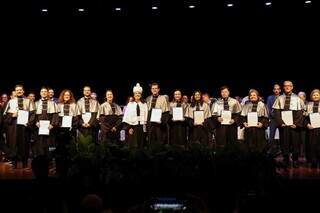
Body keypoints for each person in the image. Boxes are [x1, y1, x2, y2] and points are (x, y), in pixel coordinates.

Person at [272, 81, 305, 168]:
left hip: (294, 125)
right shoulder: (279, 98)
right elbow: (276, 112)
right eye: (285, 86)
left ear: (292, 87)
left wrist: (296, 123)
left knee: (295, 143)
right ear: (283, 87)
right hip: (283, 125)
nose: (287, 87)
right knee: (284, 143)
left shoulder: (297, 98)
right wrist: (281, 123)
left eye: (289, 86)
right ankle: (286, 160)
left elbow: (300, 112)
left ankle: (295, 160)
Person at [3, 84, 35, 168]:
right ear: (15, 91)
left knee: (24, 144)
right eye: (17, 90)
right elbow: (5, 116)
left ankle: (24, 163)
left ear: (23, 91)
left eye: (20, 90)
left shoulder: (28, 101)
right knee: (13, 144)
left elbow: (32, 114)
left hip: (25, 127)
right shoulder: (10, 101)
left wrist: (28, 123)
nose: (19, 91)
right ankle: (14, 163)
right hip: (13, 127)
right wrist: (12, 116)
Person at [56, 89, 78, 176]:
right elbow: (56, 117)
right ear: (62, 96)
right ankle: (59, 168)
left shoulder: (74, 105)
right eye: (65, 95)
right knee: (60, 149)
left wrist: (72, 127)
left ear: (70, 96)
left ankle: (70, 168)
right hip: (60, 130)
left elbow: (76, 118)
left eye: (68, 95)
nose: (67, 96)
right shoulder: (58, 105)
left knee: (70, 149)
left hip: (70, 130)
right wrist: (59, 126)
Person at [34, 87, 59, 159]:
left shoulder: (53, 103)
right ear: (40, 93)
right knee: (40, 143)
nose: (44, 93)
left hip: (49, 127)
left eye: (45, 91)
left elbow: (55, 115)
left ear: (48, 93)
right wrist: (36, 122)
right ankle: (40, 158)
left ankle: (49, 159)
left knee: (49, 143)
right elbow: (34, 115)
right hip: (39, 127)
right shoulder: (36, 103)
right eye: (42, 91)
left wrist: (52, 124)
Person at [122, 83, 148, 148]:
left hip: (142, 127)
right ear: (134, 95)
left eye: (139, 93)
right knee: (133, 145)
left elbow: (146, 116)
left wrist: (146, 127)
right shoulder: (130, 104)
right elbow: (127, 116)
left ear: (141, 95)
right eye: (136, 93)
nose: (137, 95)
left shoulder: (144, 104)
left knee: (141, 144)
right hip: (133, 127)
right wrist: (129, 128)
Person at [305, 89, 320, 168]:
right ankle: (313, 162)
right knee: (312, 145)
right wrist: (307, 124)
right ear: (311, 96)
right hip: (311, 128)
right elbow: (305, 118)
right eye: (314, 95)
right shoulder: (308, 105)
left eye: (317, 95)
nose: (315, 96)